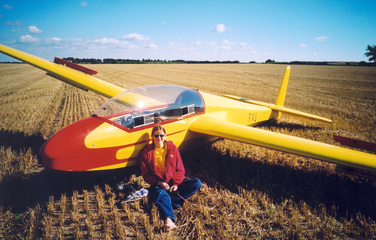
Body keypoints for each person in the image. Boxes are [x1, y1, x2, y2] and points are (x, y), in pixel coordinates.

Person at [140, 124, 201, 231]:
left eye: (161, 135)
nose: (159, 138)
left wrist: (176, 184)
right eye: (156, 136)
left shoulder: (172, 148)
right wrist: (159, 183)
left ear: (165, 136)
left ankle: (172, 201)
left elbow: (180, 169)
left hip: (173, 181)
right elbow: (146, 175)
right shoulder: (147, 152)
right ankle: (169, 220)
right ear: (152, 137)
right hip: (159, 184)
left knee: (196, 183)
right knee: (160, 193)